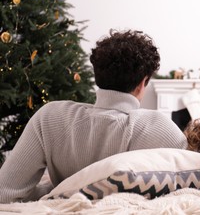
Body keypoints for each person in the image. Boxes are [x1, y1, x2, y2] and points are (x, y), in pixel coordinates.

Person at [0, 29, 188, 203]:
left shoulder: (50, 117)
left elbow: (5, 191)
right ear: (142, 83)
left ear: (97, 75)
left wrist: (53, 191)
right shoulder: (161, 128)